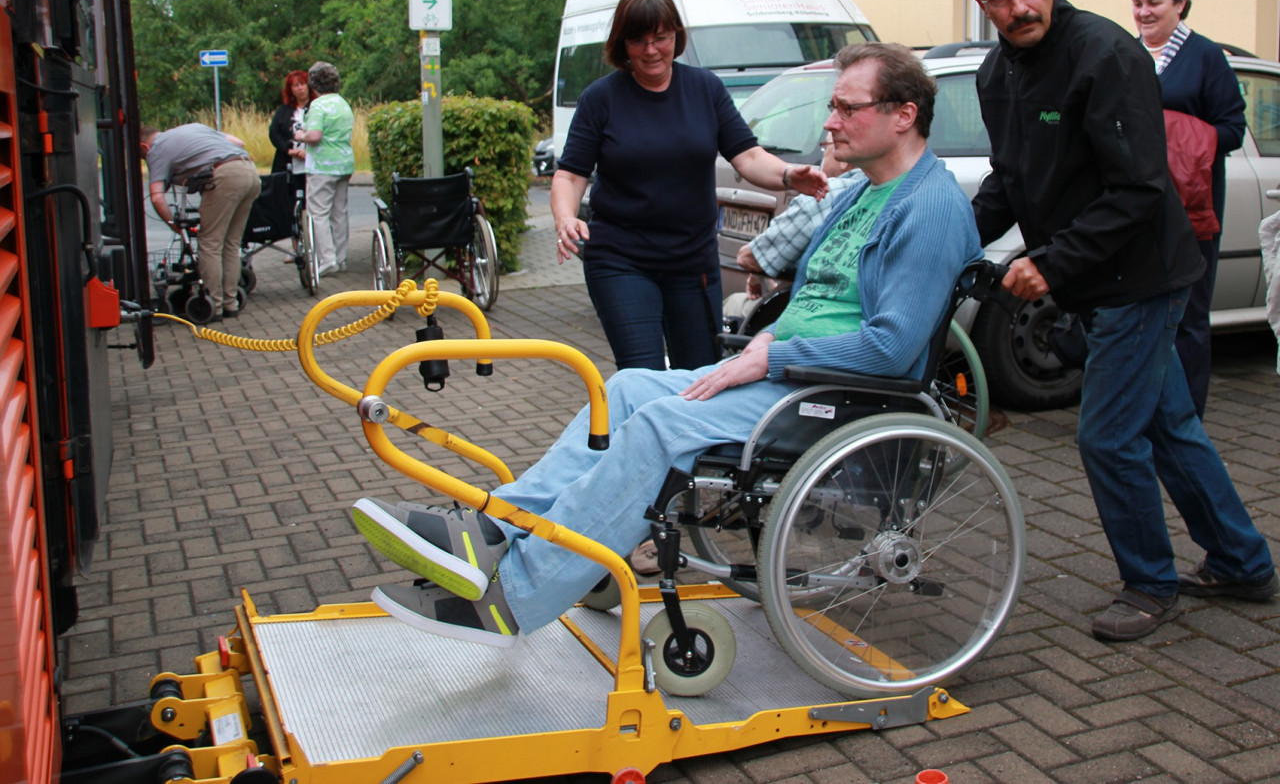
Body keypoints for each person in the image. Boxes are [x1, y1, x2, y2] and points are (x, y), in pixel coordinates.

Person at [351, 42, 983, 645]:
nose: (831, 121)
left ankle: (514, 597)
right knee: (624, 388)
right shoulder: (863, 194)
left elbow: (893, 350)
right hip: (784, 376)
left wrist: (772, 354)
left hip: (832, 395)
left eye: (847, 107)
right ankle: (493, 528)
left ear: (903, 116)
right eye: (833, 105)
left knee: (661, 427)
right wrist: (767, 333)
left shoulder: (928, 206)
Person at [968, 0, 1276, 643]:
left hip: (1140, 277)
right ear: (981, 2)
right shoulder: (996, 74)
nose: (1020, 7)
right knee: (1169, 425)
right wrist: (948, 233)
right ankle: (1241, 560)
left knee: (1108, 435)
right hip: (1094, 276)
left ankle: (1148, 582)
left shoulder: (1106, 55)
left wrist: (1053, 261)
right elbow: (1011, 180)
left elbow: (1138, 188)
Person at [551, 0, 827, 372]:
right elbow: (570, 175)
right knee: (642, 374)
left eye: (660, 38)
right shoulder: (601, 99)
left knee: (700, 374)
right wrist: (565, 218)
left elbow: (747, 156)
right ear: (621, 44)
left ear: (676, 36)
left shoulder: (705, 89)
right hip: (621, 260)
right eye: (638, 40)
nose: (651, 50)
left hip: (691, 262)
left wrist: (787, 174)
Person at [1125, 0, 1247, 418]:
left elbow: (1233, 127)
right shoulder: (1127, 53)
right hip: (1136, 206)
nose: (1143, 12)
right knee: (1139, 312)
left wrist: (1174, 132)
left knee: (1190, 316)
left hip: (1191, 209)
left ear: (1180, 4)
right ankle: (1145, 405)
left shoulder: (1207, 56)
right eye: (1137, 3)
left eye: (1153, 2)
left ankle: (1186, 414)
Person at [142, 123, 261, 320]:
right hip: (249, 171)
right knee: (231, 243)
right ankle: (230, 302)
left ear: (144, 147)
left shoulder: (156, 150)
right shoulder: (193, 128)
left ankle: (213, 304)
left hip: (224, 176)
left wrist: (174, 225)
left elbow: (156, 197)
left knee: (210, 243)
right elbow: (239, 142)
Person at [737, 133, 854, 299]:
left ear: (843, 161)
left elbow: (749, 258)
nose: (823, 155)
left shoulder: (822, 196)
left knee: (732, 304)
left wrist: (758, 274)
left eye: (824, 148)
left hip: (804, 309)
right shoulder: (886, 189)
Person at [295, 61, 355, 277]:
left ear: (313, 84)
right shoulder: (343, 104)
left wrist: (300, 135)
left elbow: (314, 136)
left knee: (318, 213)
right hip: (344, 163)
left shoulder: (318, 106)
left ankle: (327, 259)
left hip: (322, 165)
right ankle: (341, 257)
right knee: (340, 212)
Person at [268, 70, 313, 175]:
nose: (300, 88)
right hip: (286, 163)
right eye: (295, 85)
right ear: (290, 89)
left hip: (312, 163)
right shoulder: (283, 111)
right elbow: (274, 133)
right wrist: (289, 150)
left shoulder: (318, 108)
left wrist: (308, 152)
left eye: (302, 84)